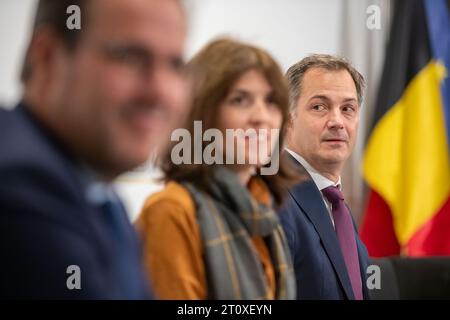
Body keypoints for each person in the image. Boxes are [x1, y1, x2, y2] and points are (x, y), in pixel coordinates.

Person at [0, 0, 187, 299]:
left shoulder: (102, 199)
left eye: (175, 65)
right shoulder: (23, 186)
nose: (160, 91)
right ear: (48, 57)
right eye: (130, 57)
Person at [136, 38, 297, 300]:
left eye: (271, 101)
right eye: (240, 100)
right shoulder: (171, 210)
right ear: (200, 113)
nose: (262, 117)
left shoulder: (263, 213)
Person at [279, 54, 370, 300]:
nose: (337, 122)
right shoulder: (274, 197)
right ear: (288, 120)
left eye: (347, 109)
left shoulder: (336, 203)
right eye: (319, 106)